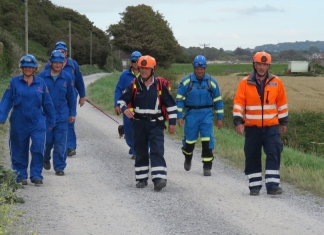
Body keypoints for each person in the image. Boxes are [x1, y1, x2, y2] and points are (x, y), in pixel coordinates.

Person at [117, 55, 177, 191]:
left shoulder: (160, 85)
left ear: (153, 69)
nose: (143, 71)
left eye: (146, 68)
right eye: (141, 68)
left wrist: (172, 123)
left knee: (157, 150)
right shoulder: (133, 85)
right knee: (141, 151)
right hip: (139, 124)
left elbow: (171, 105)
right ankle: (141, 178)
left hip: (156, 124)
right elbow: (121, 101)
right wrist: (125, 109)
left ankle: (159, 179)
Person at [233, 51, 288, 196]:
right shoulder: (244, 83)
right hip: (252, 127)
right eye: (259, 64)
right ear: (254, 64)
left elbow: (281, 104)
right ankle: (255, 186)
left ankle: (272, 185)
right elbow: (239, 104)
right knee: (252, 155)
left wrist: (284, 122)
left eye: (264, 64)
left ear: (268, 66)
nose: (262, 67)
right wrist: (238, 121)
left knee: (274, 152)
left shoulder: (277, 82)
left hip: (271, 127)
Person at [0, 54, 55, 186]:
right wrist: (2, 117)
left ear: (35, 68)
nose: (28, 69)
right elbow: (7, 99)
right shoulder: (14, 82)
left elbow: (47, 102)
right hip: (19, 120)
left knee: (38, 147)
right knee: (19, 148)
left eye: (30, 67)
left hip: (37, 120)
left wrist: (51, 120)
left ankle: (36, 175)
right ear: (22, 68)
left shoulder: (41, 83)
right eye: (25, 67)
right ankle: (20, 175)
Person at [176, 55, 224, 176]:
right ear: (194, 67)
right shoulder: (186, 81)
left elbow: (218, 100)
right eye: (197, 68)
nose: (199, 70)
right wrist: (179, 116)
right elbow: (179, 100)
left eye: (202, 68)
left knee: (207, 139)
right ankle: (188, 156)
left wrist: (219, 118)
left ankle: (207, 167)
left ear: (205, 68)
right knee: (189, 142)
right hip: (191, 114)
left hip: (206, 114)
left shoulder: (212, 82)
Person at [45, 41, 86, 157]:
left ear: (66, 52)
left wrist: (83, 96)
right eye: (58, 51)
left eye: (63, 52)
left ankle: (70, 147)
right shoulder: (49, 65)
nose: (61, 54)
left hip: (70, 96)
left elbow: (79, 80)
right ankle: (54, 145)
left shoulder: (73, 64)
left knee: (69, 120)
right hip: (54, 98)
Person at [39, 50, 76, 176]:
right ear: (50, 62)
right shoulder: (42, 77)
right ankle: (45, 157)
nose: (58, 65)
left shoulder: (67, 77)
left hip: (62, 115)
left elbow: (71, 97)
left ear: (63, 63)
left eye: (60, 63)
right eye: (55, 62)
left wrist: (72, 113)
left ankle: (59, 167)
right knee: (47, 141)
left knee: (60, 142)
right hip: (46, 116)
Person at [114, 51, 142, 160]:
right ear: (131, 62)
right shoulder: (124, 75)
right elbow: (118, 90)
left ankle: (141, 150)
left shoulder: (146, 73)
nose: (136, 63)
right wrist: (117, 104)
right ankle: (134, 149)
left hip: (143, 108)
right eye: (134, 61)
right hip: (128, 108)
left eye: (138, 61)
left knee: (143, 130)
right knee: (129, 130)